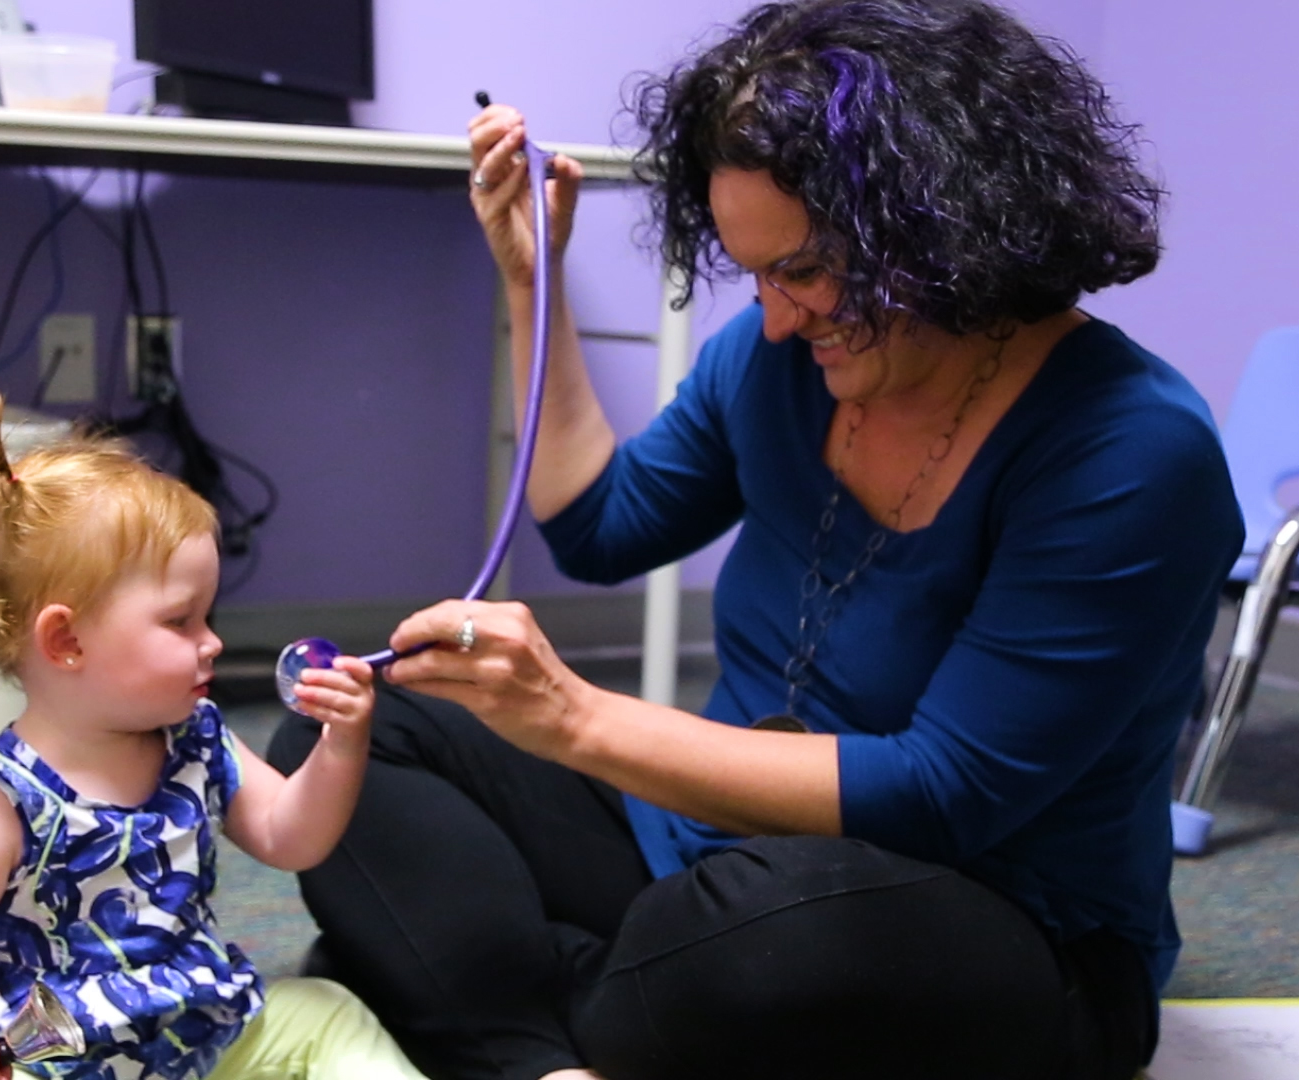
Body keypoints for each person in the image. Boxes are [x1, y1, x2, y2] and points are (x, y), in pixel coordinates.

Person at [266, 2, 1245, 1079]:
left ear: (949, 226)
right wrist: (532, 279)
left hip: (984, 922)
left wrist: (573, 719)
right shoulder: (780, 359)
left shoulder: (1134, 451)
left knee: (780, 936)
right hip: (706, 856)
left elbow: (942, 794)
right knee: (349, 725)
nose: (779, 317)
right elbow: (599, 527)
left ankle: (462, 989)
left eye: (812, 271)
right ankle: (541, 1056)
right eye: (758, 274)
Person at [0, 394, 429, 1080]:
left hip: (196, 1038)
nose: (212, 642)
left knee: (325, 1011)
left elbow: (293, 835)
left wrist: (341, 744)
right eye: (180, 622)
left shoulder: (196, 741)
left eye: (208, 616)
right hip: (52, 1060)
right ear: (67, 640)